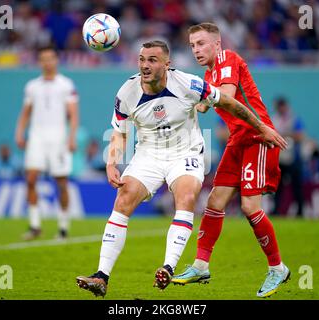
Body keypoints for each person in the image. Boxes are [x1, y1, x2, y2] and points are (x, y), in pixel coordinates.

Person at [75, 40, 287, 297]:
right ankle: (101, 276)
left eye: (152, 60)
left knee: (186, 196)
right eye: (142, 59)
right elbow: (119, 133)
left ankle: (168, 266)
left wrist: (262, 127)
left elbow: (230, 103)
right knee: (123, 199)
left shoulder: (188, 84)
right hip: (148, 154)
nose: (145, 65)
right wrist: (111, 162)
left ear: (167, 64)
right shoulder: (126, 93)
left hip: (185, 153)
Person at [171, 23, 290, 298]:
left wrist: (202, 100)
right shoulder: (209, 72)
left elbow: (225, 97)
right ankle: (201, 265)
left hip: (258, 136)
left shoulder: (229, 59)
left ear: (216, 43)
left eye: (201, 43)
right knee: (214, 202)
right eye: (192, 45)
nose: (196, 50)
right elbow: (207, 101)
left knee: (250, 207)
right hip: (237, 140)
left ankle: (277, 268)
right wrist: (193, 103)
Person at [15, 45, 79, 240]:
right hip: (36, 137)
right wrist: (19, 132)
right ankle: (35, 226)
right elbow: (26, 113)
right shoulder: (32, 86)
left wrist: (71, 137)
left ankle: (63, 227)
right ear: (39, 62)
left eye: (51, 58)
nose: (47, 62)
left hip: (58, 138)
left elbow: (73, 114)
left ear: (56, 60)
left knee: (61, 182)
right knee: (31, 179)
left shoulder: (66, 84)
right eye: (43, 58)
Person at [272, 96, 305, 217]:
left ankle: (300, 211)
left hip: (293, 158)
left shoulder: (294, 119)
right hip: (279, 158)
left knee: (297, 187)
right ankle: (276, 211)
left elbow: (300, 136)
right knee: (277, 187)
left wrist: (284, 135)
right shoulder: (274, 119)